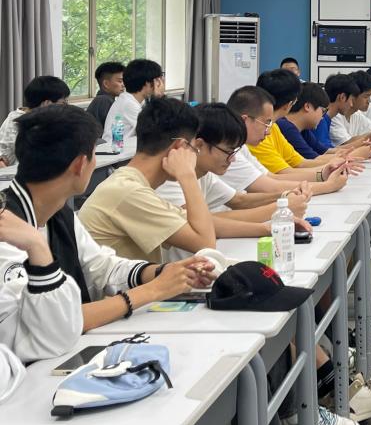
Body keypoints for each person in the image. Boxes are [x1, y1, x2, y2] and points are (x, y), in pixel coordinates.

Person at [0, 105, 212, 359]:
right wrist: (154, 290)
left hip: (62, 353)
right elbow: (49, 326)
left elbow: (101, 266)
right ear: (81, 164)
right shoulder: (7, 229)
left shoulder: (57, 212)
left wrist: (163, 272)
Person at [153, 103, 313, 261]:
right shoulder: (172, 177)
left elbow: (239, 200)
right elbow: (207, 223)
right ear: (199, 145)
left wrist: (284, 197)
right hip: (185, 267)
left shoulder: (204, 172)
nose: (233, 159)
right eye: (229, 151)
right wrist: (276, 215)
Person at [79, 98, 218, 263]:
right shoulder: (129, 192)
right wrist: (187, 175)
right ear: (179, 147)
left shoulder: (134, 184)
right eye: (193, 149)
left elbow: (203, 224)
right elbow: (205, 243)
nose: (194, 156)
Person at [223, 86, 357, 197]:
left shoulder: (241, 147)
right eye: (266, 123)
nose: (268, 131)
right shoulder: (228, 152)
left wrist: (323, 173)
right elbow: (270, 186)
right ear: (245, 120)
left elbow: (272, 178)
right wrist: (328, 185)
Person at [252, 69, 368, 179]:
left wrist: (340, 161)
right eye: (322, 110)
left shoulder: (275, 127)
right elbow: (283, 173)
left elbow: (302, 162)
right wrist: (327, 175)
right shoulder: (278, 128)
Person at [0, 76, 70, 165]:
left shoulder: (55, 119)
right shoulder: (15, 121)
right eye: (63, 102)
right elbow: (2, 159)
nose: (67, 106)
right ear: (47, 104)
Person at [101, 58, 164, 144]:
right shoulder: (128, 104)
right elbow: (156, 131)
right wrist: (159, 97)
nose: (160, 84)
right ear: (147, 83)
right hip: (115, 150)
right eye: (157, 80)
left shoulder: (137, 101)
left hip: (126, 148)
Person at [327, 73, 371, 148]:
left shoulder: (356, 114)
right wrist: (367, 139)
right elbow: (345, 145)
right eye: (366, 96)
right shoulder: (333, 117)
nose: (369, 101)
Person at [279, 82, 332, 158]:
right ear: (307, 106)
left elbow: (323, 151)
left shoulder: (304, 130)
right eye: (323, 111)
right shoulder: (286, 128)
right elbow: (313, 159)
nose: (322, 117)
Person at [85, 61, 125, 129]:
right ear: (106, 84)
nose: (123, 85)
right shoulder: (104, 100)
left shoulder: (104, 99)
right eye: (120, 81)